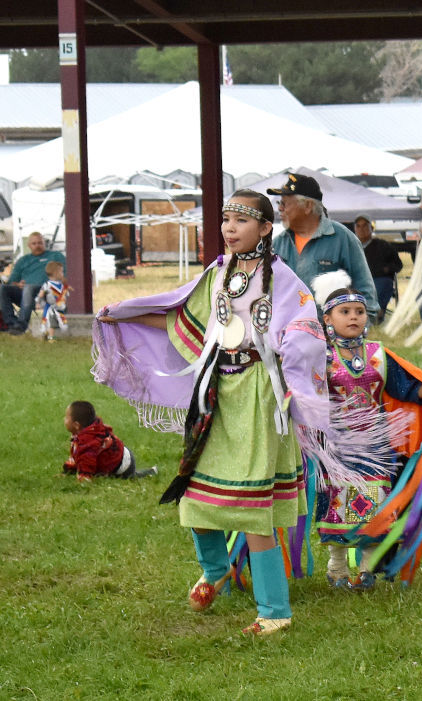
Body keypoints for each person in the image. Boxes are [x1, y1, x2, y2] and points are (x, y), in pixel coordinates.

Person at [92, 190, 331, 636]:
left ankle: (274, 611)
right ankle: (216, 568)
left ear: (264, 229)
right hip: (215, 394)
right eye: (225, 220)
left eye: (241, 220)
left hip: (259, 400)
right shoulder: (218, 273)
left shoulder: (282, 280)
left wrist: (284, 355)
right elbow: (181, 315)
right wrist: (124, 316)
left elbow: (307, 329)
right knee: (194, 492)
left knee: (253, 510)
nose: (229, 228)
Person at [310, 271, 422, 590]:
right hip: (338, 447)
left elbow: (404, 387)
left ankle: (366, 568)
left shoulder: (378, 355)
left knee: (373, 505)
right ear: (327, 318)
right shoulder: (321, 358)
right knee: (338, 506)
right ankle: (337, 566)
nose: (353, 317)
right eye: (345, 312)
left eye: (359, 311)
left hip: (376, 446)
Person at [267, 173, 379, 321]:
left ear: (307, 206)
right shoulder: (278, 244)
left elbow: (366, 293)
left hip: (332, 339)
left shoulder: (343, 239)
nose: (280, 209)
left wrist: (356, 334)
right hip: (288, 337)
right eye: (279, 204)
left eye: (285, 203)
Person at [62, 400, 157, 482]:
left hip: (123, 465)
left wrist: (84, 477)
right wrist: (68, 471)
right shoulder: (84, 434)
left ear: (76, 425)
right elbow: (76, 456)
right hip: (121, 455)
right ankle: (148, 472)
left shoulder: (88, 443)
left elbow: (87, 461)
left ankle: (149, 472)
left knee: (131, 476)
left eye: (66, 418)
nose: (64, 419)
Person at [2, 231, 66, 335]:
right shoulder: (23, 260)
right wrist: (17, 285)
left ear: (44, 243)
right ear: (29, 245)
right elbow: (12, 281)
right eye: (34, 243)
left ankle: (21, 325)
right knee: (3, 289)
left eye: (40, 243)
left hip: (47, 293)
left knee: (29, 288)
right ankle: (11, 324)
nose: (37, 246)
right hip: (24, 295)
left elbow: (65, 275)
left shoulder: (55, 256)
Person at [353, 214, 403, 323]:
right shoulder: (351, 247)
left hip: (379, 279)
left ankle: (375, 314)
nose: (362, 229)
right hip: (356, 280)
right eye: (358, 226)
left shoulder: (383, 245)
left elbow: (398, 265)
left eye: (365, 226)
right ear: (354, 229)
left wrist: (385, 269)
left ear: (372, 228)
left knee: (380, 286)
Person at [35, 261, 69, 341]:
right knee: (51, 322)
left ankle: (47, 334)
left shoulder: (61, 285)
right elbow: (41, 294)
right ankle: (51, 337)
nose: (63, 273)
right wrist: (38, 302)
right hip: (50, 308)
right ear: (55, 273)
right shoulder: (47, 285)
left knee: (59, 321)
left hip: (59, 307)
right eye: (61, 271)